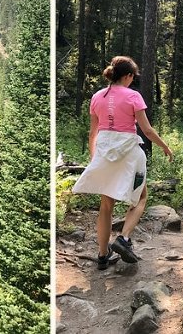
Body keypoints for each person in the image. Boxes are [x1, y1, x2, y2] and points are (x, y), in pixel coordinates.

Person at [72, 56, 173, 269]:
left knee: (106, 206)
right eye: (132, 77)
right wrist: (164, 146)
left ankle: (102, 256)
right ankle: (124, 238)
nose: (132, 81)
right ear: (127, 76)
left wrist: (94, 158)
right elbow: (146, 130)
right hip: (129, 153)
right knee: (140, 198)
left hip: (105, 151)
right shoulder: (133, 96)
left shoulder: (97, 97)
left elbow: (93, 133)